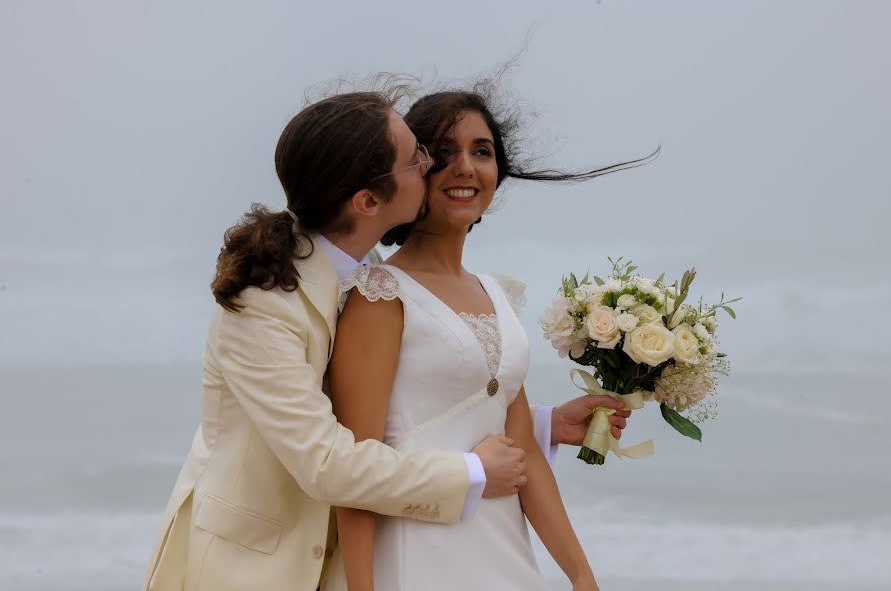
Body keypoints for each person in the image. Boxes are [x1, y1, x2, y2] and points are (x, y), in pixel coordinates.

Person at [142, 89, 630, 591]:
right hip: (257, 565)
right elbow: (330, 462)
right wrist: (472, 473)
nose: (434, 165)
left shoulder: (365, 272)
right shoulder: (265, 307)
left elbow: (412, 393)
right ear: (369, 200)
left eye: (477, 151)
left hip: (448, 544)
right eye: (422, 155)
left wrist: (537, 426)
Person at [327, 88, 650, 590]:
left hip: (503, 554)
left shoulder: (497, 294)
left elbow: (525, 457)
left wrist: (581, 576)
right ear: (411, 172)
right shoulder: (380, 294)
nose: (465, 167)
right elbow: (355, 471)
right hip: (417, 552)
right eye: (443, 152)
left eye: (482, 151)